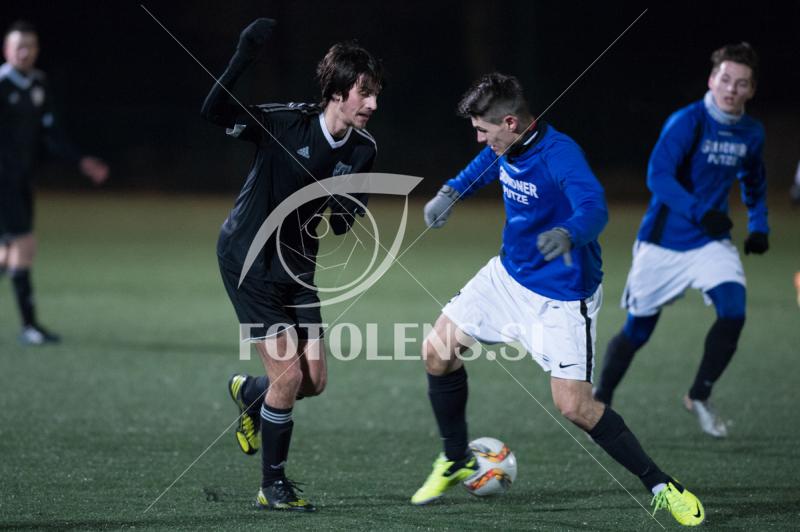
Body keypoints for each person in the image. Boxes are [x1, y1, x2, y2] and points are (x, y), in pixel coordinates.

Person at [412, 73, 704, 526]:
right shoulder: (506, 146)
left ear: (511, 122)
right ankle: (455, 459)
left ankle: (662, 485)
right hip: (507, 278)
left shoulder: (560, 154)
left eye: (484, 130)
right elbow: (486, 163)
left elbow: (595, 207)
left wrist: (570, 233)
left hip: (563, 298)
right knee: (437, 351)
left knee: (576, 407)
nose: (480, 138)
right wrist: (452, 191)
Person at [201, 18, 382, 512]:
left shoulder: (364, 149)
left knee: (313, 381)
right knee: (287, 378)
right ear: (337, 92)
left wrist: (347, 210)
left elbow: (345, 217)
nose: (372, 104)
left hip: (299, 266)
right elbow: (212, 110)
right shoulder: (285, 123)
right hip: (249, 259)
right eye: (364, 93)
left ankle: (250, 393)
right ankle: (272, 486)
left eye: (375, 94)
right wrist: (243, 55)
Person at [593, 43, 768, 439]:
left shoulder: (752, 132)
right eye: (725, 79)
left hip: (710, 242)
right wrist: (699, 210)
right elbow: (658, 176)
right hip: (663, 243)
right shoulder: (688, 121)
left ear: (752, 90)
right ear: (712, 80)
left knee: (734, 312)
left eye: (741, 83)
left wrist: (759, 227)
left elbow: (754, 183)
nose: (732, 89)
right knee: (638, 331)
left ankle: (699, 395)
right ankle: (600, 399)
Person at [0, 20, 109, 345]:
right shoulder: (2, 84)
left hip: (22, 179)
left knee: (8, 253)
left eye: (30, 46)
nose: (24, 52)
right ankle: (29, 326)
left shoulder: (39, 82)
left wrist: (80, 161)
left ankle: (29, 326)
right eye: (18, 46)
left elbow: (51, 133)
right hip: (2, 181)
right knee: (24, 245)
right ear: (6, 50)